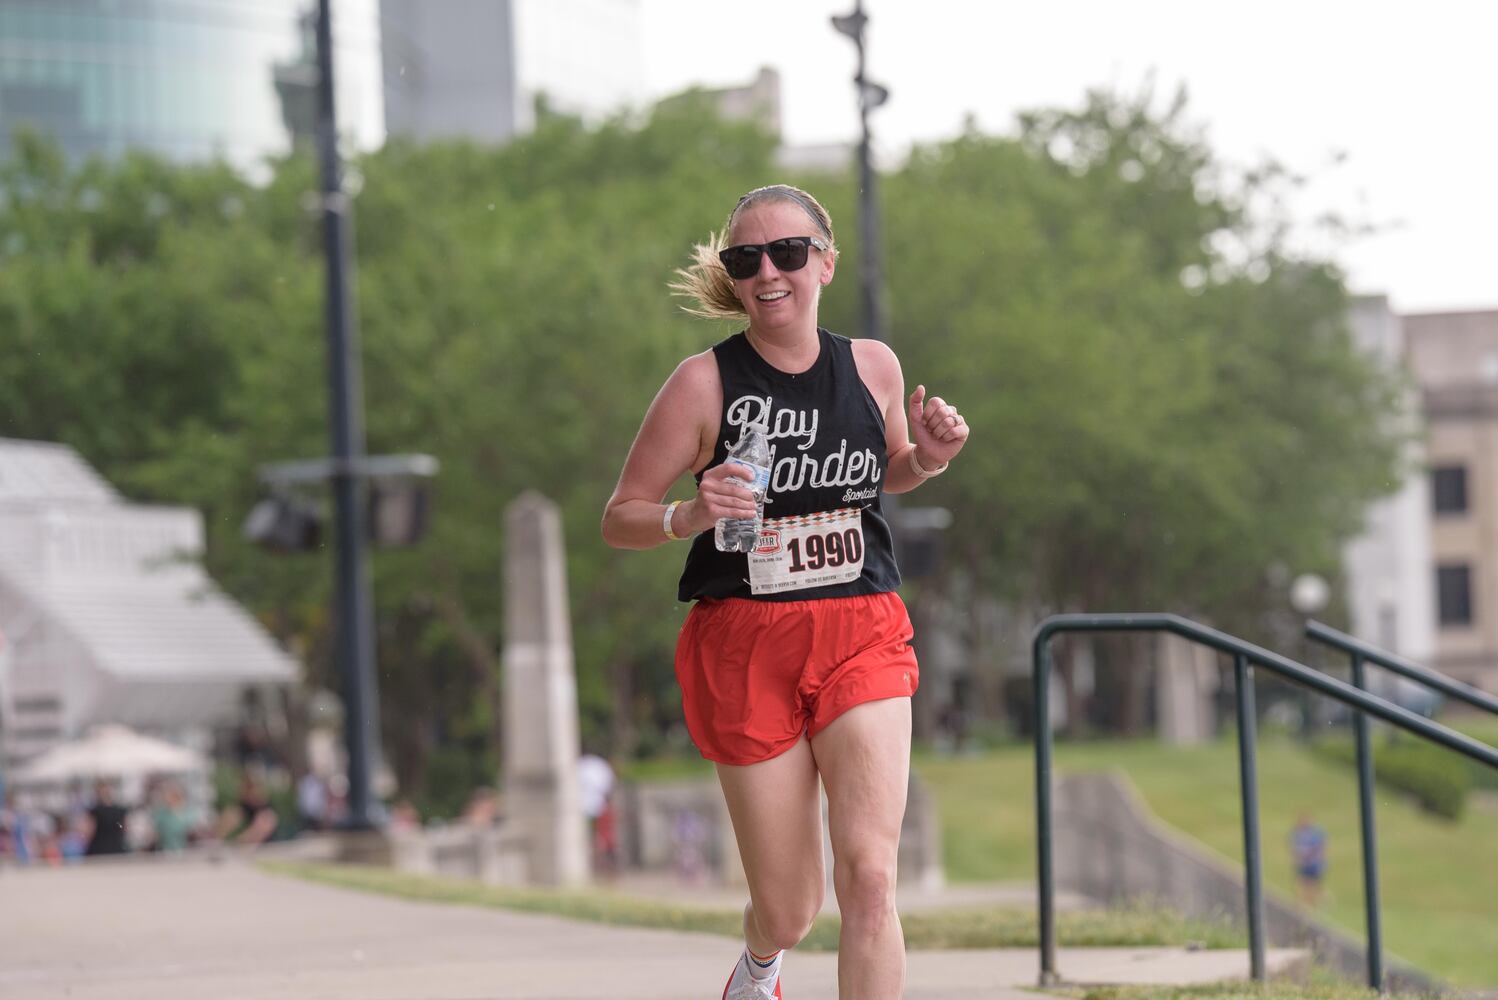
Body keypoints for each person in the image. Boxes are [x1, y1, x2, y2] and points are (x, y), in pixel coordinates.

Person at [602, 184, 969, 1000]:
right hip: (744, 641)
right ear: (734, 278)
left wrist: (932, 457)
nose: (768, 271)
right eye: (746, 259)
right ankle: (760, 966)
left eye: (788, 252)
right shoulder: (702, 385)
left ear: (824, 264)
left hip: (861, 628)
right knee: (791, 907)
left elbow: (891, 470)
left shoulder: (873, 365)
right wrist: (688, 513)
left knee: (870, 877)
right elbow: (619, 517)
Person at [1290, 811, 1328, 907]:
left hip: (1314, 864)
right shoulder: (1297, 833)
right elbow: (1294, 848)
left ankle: (1316, 903)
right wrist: (1297, 859)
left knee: (1314, 885)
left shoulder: (1315, 833)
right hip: (1303, 864)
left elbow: (1320, 847)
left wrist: (1312, 857)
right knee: (1302, 884)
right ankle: (1302, 905)